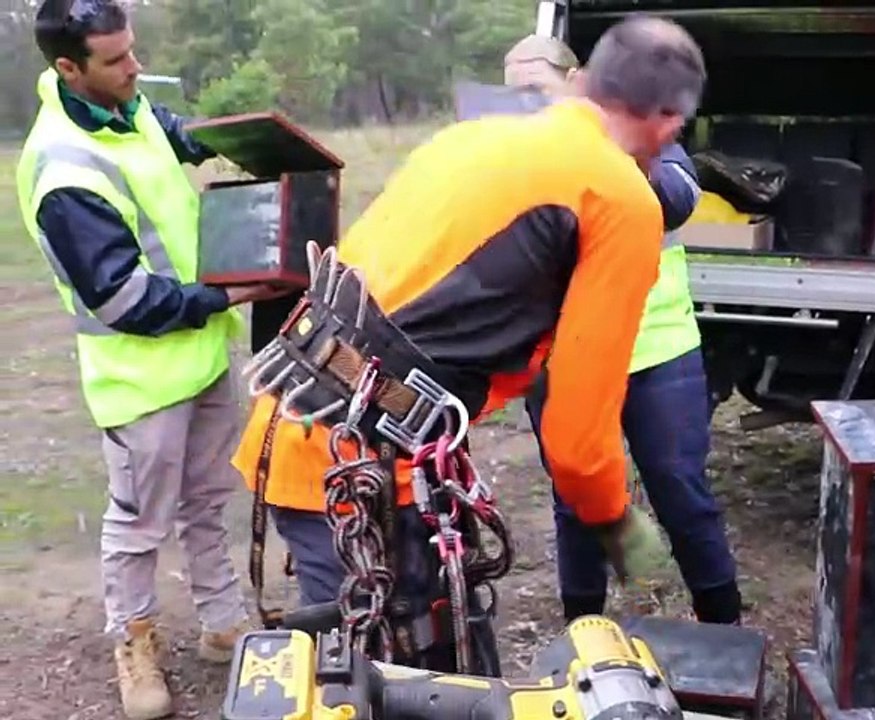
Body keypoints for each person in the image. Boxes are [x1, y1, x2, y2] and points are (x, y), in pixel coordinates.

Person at [230, 15, 708, 671]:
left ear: (586, 82)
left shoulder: (468, 140)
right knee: (407, 685)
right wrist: (617, 524)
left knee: (377, 673)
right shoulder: (619, 196)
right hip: (369, 471)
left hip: (302, 425)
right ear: (670, 121)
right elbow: (576, 438)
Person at [14, 2, 284, 718]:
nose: (135, 68)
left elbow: (173, 135)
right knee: (138, 526)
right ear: (69, 68)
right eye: (116, 59)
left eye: (133, 50)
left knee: (206, 503)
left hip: (203, 357)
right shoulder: (64, 168)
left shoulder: (127, 110)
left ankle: (222, 623)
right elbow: (122, 298)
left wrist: (246, 140)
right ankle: (132, 643)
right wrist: (228, 293)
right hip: (140, 382)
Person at [503, 34, 742, 626]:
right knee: (575, 499)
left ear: (575, 82)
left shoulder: (630, 128)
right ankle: (583, 630)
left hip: (657, 351)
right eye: (513, 96)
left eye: (535, 90)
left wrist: (602, 151)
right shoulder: (513, 156)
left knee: (679, 491)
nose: (527, 106)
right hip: (565, 359)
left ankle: (724, 626)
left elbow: (679, 197)